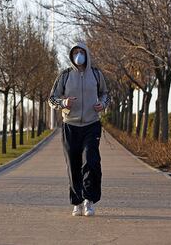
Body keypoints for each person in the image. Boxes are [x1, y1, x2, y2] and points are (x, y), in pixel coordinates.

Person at [49, 42, 110, 217]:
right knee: (73, 164)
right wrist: (63, 103)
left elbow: (105, 93)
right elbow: (52, 98)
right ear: (71, 56)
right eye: (75, 53)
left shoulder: (96, 74)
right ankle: (76, 202)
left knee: (90, 161)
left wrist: (102, 104)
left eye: (81, 52)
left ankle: (88, 200)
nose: (78, 56)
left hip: (91, 124)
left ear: (86, 54)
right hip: (70, 125)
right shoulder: (65, 75)